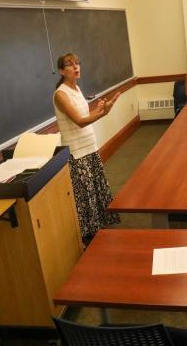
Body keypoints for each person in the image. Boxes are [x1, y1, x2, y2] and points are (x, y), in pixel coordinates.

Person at [53, 53, 121, 246]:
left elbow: (84, 115)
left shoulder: (76, 88)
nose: (76, 67)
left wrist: (99, 110)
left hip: (89, 146)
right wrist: (103, 113)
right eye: (70, 64)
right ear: (61, 70)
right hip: (76, 151)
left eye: (77, 63)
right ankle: (89, 238)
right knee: (85, 194)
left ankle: (98, 227)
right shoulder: (61, 94)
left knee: (95, 188)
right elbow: (80, 121)